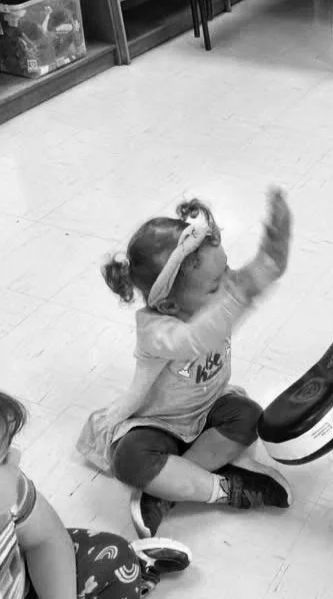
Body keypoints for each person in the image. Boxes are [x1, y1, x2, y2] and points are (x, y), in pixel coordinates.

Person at [77, 190, 293, 540]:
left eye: (226, 270)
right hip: (159, 422)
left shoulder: (217, 286)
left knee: (250, 416)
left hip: (209, 408)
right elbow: (196, 339)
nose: (228, 284)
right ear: (170, 307)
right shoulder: (156, 330)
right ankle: (223, 488)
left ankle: (166, 490)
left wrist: (275, 250)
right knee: (130, 459)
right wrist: (239, 295)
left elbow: (259, 275)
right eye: (215, 286)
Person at [1, 391, 191, 599]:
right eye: (2, 460)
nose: (16, 457)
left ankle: (134, 570)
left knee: (115, 556)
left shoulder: (13, 494)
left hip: (25, 578)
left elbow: (47, 538)